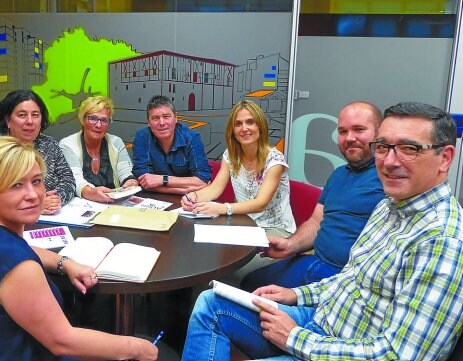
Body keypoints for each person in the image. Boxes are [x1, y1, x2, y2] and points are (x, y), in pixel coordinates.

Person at [181, 101, 463, 361]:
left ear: (445, 158)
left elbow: (399, 354)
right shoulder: (389, 205)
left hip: (337, 345)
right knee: (213, 301)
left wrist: (295, 337)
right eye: (383, 147)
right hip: (324, 317)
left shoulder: (442, 240)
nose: (389, 161)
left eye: (409, 148)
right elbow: (350, 275)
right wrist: (297, 294)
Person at [0, 136, 157, 361]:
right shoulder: (17, 266)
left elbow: (21, 250)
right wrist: (138, 348)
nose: (33, 195)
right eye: (16, 185)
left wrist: (65, 263)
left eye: (36, 181)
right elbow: (62, 340)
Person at [241, 101, 385, 290]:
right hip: (313, 263)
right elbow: (316, 222)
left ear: (380, 134)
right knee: (248, 284)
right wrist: (290, 244)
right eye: (342, 132)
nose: (349, 138)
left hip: (347, 278)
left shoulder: (389, 178)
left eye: (359, 130)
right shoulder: (339, 174)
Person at [181, 99, 295, 234]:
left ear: (260, 126)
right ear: (233, 130)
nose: (244, 128)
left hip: (275, 229)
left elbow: (260, 203)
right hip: (244, 224)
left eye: (250, 122)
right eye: (238, 124)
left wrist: (223, 208)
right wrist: (192, 196)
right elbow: (215, 189)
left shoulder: (275, 160)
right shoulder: (231, 155)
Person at [0, 89, 75, 214]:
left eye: (35, 115)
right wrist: (35, 203)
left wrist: (57, 199)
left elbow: (68, 180)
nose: (30, 121)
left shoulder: (49, 144)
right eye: (22, 115)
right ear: (8, 120)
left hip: (50, 219)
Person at [59, 95, 138, 203]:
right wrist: (89, 192)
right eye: (92, 118)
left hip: (113, 204)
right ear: (83, 119)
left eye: (104, 120)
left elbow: (125, 171)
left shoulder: (116, 142)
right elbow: (74, 179)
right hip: (82, 206)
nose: (98, 125)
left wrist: (131, 181)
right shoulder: (67, 145)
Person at [132, 95, 211, 194]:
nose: (161, 123)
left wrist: (163, 180)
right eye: (155, 118)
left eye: (166, 117)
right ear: (148, 122)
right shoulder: (142, 137)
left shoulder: (192, 138)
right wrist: (183, 190)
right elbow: (146, 182)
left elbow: (202, 180)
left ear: (176, 118)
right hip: (157, 198)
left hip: (190, 201)